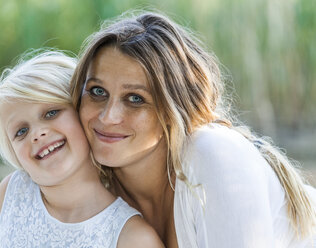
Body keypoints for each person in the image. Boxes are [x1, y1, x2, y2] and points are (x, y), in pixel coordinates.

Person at [70, 11, 316, 248]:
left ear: (173, 109)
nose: (108, 116)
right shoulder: (90, 187)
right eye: (97, 92)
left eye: (135, 98)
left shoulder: (214, 156)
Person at [0, 50, 164, 248]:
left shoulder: (133, 238)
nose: (37, 134)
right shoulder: (12, 193)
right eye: (21, 131)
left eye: (51, 113)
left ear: (82, 112)